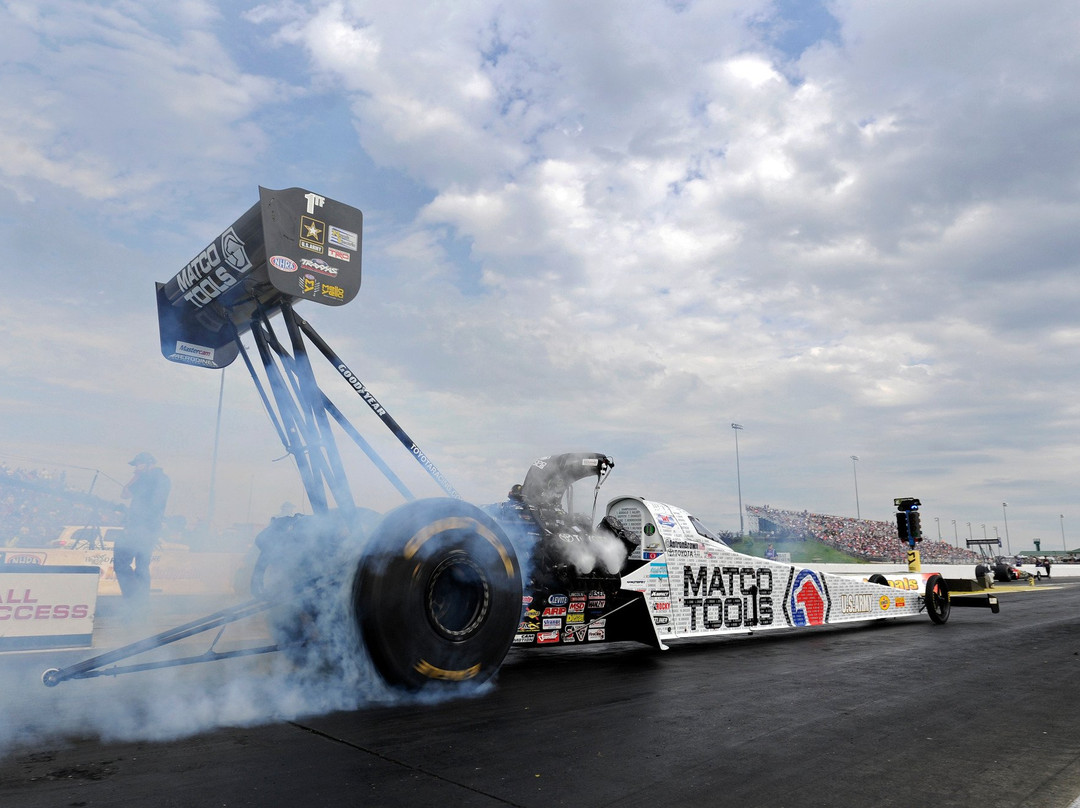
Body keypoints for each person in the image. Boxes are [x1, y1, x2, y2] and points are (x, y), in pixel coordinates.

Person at [114, 452, 170, 609]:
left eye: (138, 464)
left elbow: (125, 493)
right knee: (142, 567)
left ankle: (134, 600)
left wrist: (136, 476)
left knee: (121, 563)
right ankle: (141, 605)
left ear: (147, 463)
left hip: (139, 528)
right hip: (152, 529)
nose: (136, 468)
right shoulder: (164, 478)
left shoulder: (146, 478)